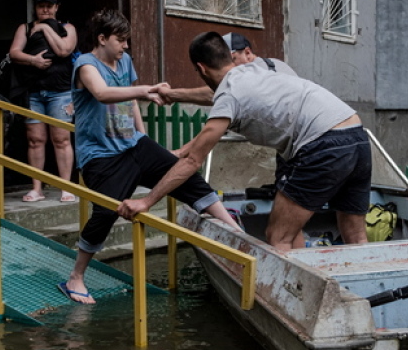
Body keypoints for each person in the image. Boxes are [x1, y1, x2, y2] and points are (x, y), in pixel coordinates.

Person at [117, 32, 370, 253]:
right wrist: (173, 95)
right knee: (355, 234)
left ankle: (293, 302)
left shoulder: (229, 95)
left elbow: (193, 160)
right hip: (356, 134)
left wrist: (146, 201)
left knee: (278, 237)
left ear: (202, 68)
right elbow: (213, 94)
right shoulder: (255, 69)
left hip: (322, 143)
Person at [59, 11, 239, 304]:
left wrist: (142, 137)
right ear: (102, 39)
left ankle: (237, 233)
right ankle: (75, 277)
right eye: (121, 40)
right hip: (101, 156)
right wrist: (149, 90)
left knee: (186, 176)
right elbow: (103, 94)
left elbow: (129, 102)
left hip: (134, 144)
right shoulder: (85, 64)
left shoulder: (124, 62)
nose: (126, 46)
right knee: (105, 213)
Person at [6, 0, 78, 203]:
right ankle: (36, 188)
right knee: (35, 140)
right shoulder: (25, 28)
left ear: (56, 7)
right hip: (33, 91)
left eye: (49, 5)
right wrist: (32, 60)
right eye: (41, 6)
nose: (45, 9)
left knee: (62, 139)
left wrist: (46, 28)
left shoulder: (67, 28)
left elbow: (64, 50)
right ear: (35, 8)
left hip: (61, 92)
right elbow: (14, 53)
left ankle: (65, 187)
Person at [154, 32, 295, 106]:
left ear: (247, 53)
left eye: (231, 60)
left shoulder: (259, 69)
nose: (227, 68)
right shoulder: (276, 64)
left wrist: (171, 94)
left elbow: (216, 93)